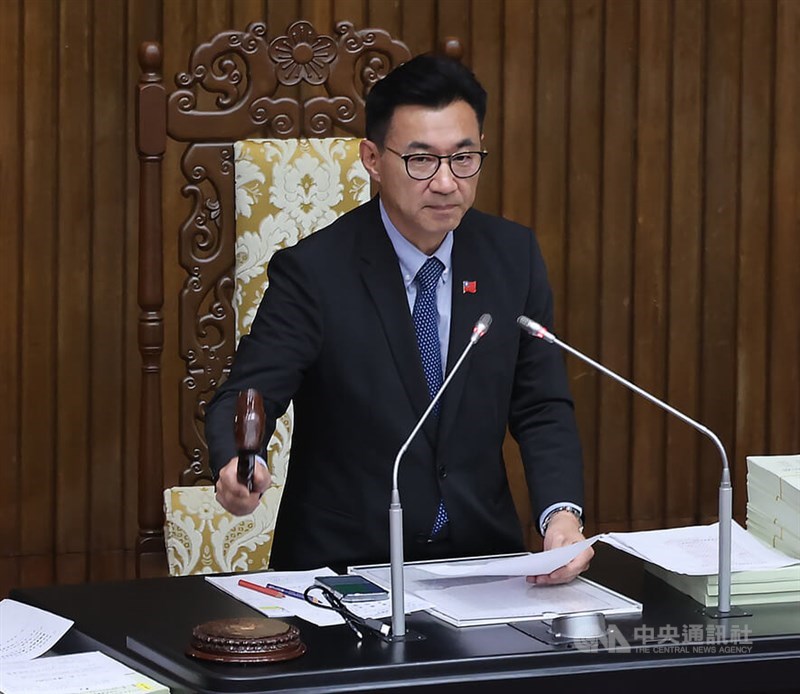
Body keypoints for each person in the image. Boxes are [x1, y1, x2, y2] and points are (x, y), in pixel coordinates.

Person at [206, 53, 593, 583]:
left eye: (464, 158)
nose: (445, 182)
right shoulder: (316, 272)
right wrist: (236, 463)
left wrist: (561, 517)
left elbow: (541, 404)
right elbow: (248, 391)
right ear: (372, 158)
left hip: (482, 562)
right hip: (346, 568)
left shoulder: (512, 257)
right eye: (420, 160)